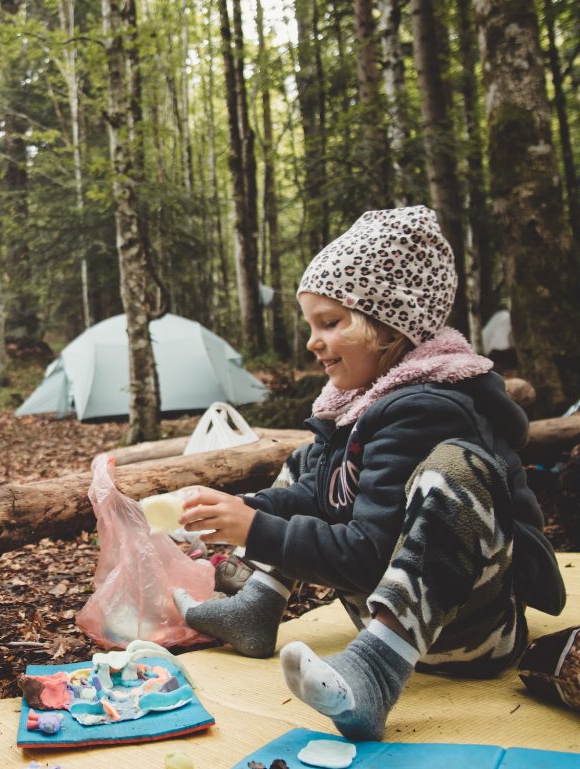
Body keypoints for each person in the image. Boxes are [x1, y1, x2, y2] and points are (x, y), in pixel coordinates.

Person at [172, 206, 566, 741]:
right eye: (311, 324)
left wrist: (255, 529)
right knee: (303, 465)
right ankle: (257, 608)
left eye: (330, 323)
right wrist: (236, 512)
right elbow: (315, 494)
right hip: (382, 605)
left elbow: (367, 556)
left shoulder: (428, 409)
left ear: (390, 325)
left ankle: (374, 675)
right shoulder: (354, 406)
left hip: (466, 629)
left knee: (457, 467)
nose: (313, 341)